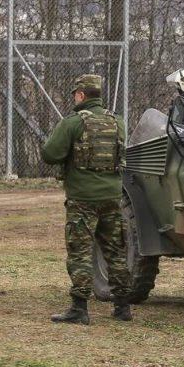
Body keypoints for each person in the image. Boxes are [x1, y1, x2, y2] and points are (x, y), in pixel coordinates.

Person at [42, 74, 132, 325]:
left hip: (83, 198)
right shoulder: (117, 121)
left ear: (81, 95)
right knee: (115, 250)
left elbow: (50, 154)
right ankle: (123, 306)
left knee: (80, 252)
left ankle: (79, 308)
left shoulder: (72, 123)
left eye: (75, 94)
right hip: (112, 196)